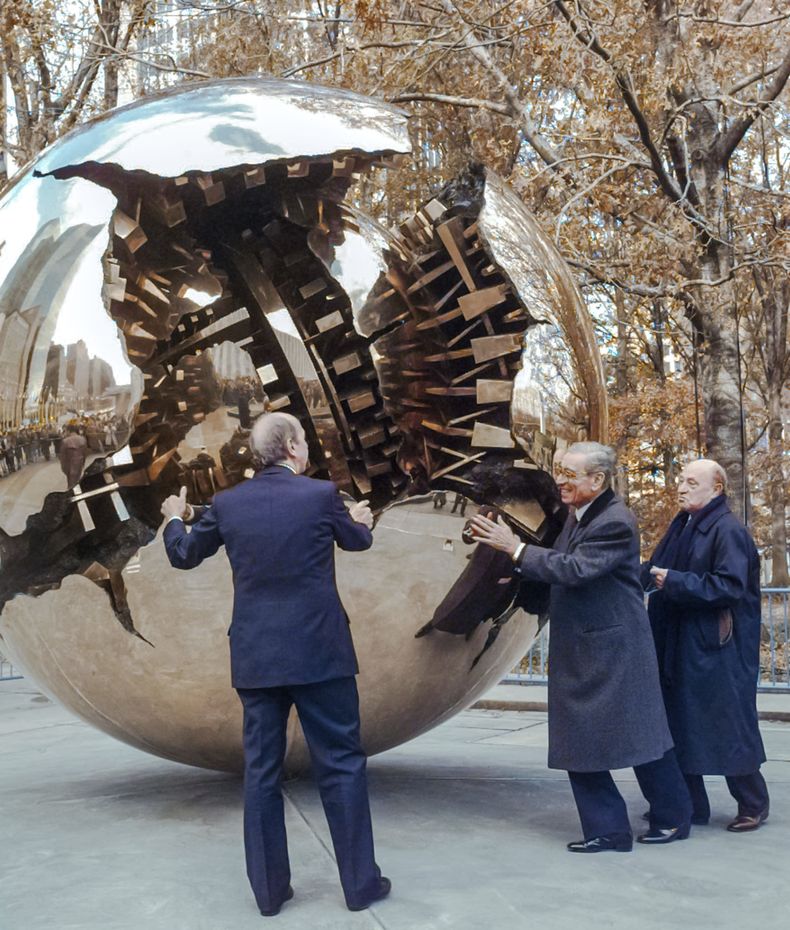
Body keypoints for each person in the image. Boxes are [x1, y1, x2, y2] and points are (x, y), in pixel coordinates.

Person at [160, 412, 390, 916]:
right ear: (290, 448)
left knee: (261, 773)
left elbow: (182, 554)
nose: (305, 448)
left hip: (257, 657)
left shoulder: (227, 504)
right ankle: (359, 885)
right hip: (321, 655)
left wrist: (174, 515)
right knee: (343, 766)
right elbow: (357, 542)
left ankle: (269, 893)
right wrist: (363, 522)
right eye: (303, 441)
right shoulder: (320, 495)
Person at [471, 441, 692, 852]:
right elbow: (563, 563)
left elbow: (576, 569)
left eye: (569, 474)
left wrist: (514, 548)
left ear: (597, 479)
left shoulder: (614, 521)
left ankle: (659, 819)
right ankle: (637, 823)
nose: (560, 480)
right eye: (559, 470)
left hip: (611, 648)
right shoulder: (583, 514)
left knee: (635, 738)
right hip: (596, 645)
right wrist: (517, 575)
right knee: (615, 737)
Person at [642, 458, 769, 832]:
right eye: (681, 480)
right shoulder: (684, 524)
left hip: (718, 647)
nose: (681, 487)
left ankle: (753, 804)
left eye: (691, 482)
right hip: (683, 641)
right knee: (680, 725)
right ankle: (690, 806)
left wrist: (674, 582)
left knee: (728, 723)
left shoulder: (728, 530)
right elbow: (655, 568)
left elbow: (729, 586)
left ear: (717, 489)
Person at [58, 423, 88, 489]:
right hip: (80, 462)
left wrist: (64, 468)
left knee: (71, 483)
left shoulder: (65, 441)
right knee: (78, 481)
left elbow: (63, 457)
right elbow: (85, 453)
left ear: (69, 431)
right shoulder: (83, 439)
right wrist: (83, 463)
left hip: (70, 464)